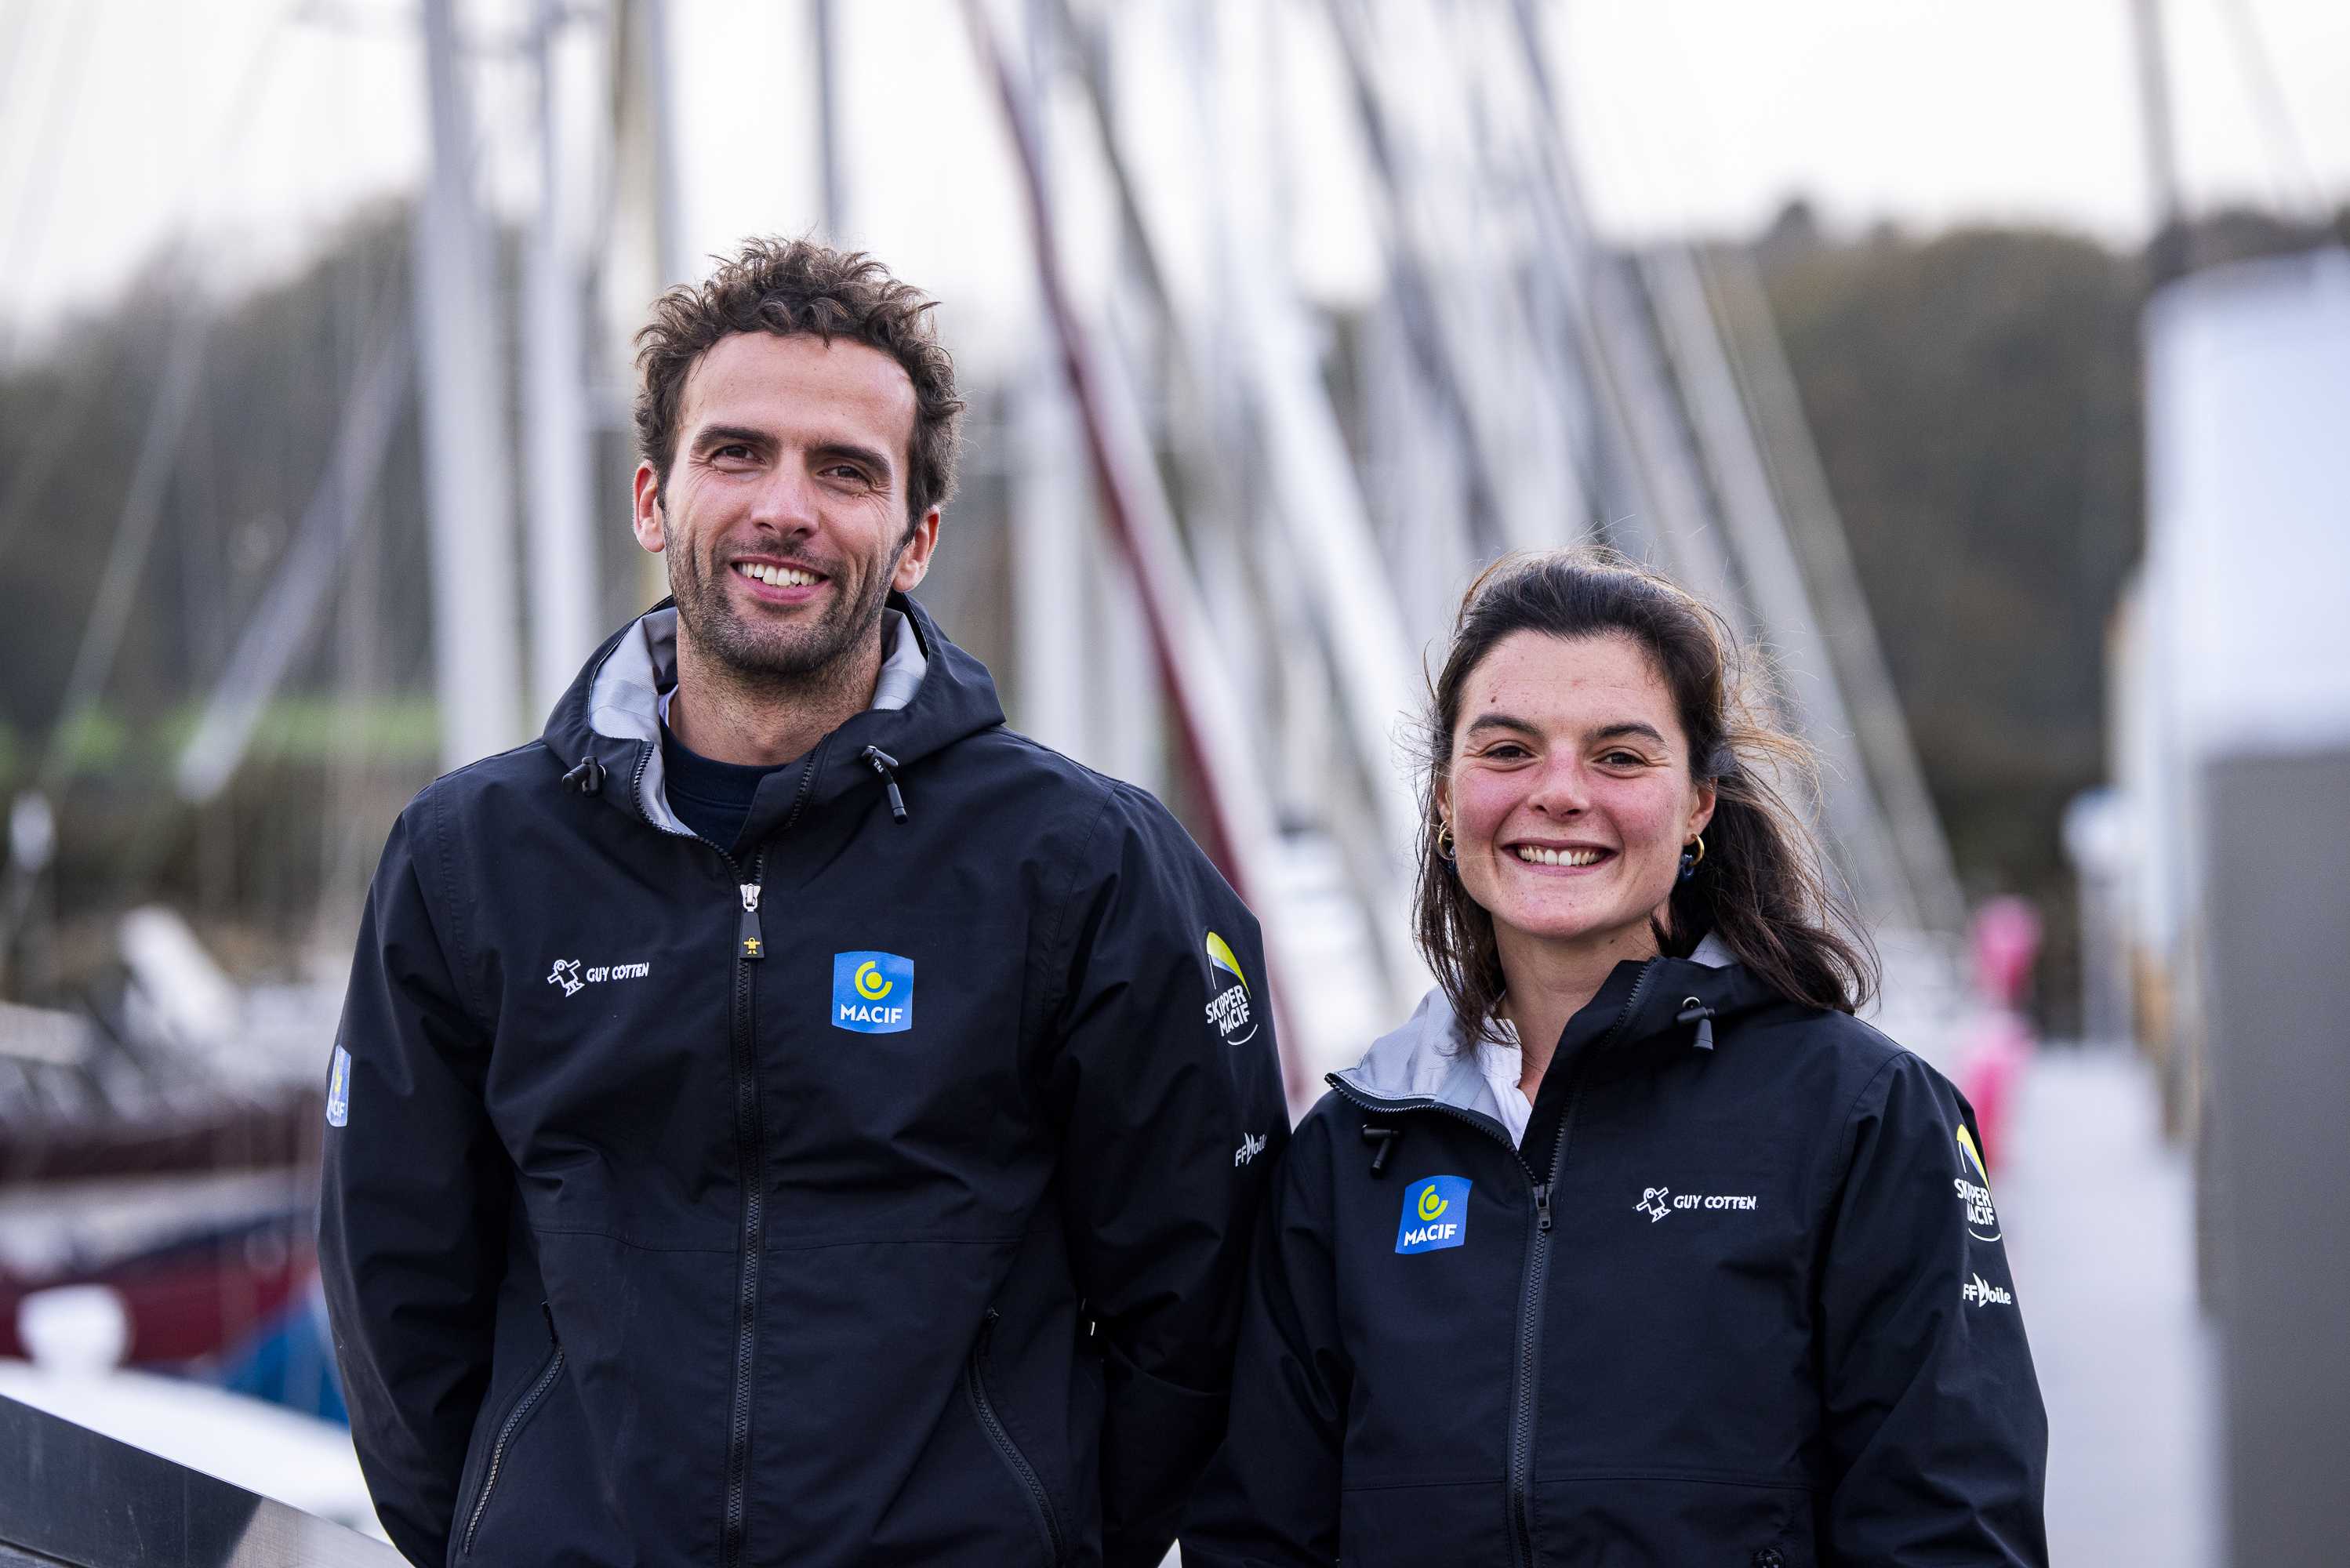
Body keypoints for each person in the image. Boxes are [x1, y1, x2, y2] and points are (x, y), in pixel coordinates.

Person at [319, 238, 1288, 1568]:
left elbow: (1196, 1307)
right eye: (738, 454)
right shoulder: (468, 860)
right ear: (654, 499)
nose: (786, 508)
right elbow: (395, 1293)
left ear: (916, 539)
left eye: (845, 470)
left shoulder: (1086, 866)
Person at [1179, 551, 2047, 1566]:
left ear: (1698, 805)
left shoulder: (1864, 1119)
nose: (1559, 794)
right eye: (1508, 750)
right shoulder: (1349, 1154)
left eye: (1620, 757)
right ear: (1446, 797)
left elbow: (1950, 1529)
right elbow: (1258, 1540)